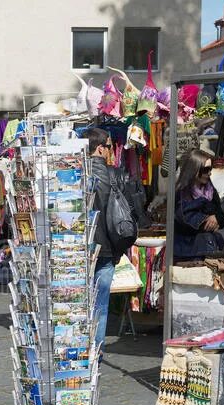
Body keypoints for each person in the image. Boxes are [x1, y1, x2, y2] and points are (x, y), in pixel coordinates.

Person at [85, 128, 140, 358]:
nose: (112, 151)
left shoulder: (75, 174)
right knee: (101, 305)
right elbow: (129, 213)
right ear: (100, 148)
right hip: (107, 250)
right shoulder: (115, 175)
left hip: (81, 250)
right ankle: (96, 353)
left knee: (77, 303)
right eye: (110, 146)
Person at [174, 149, 224, 261]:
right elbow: (184, 219)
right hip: (187, 252)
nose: (209, 173)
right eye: (206, 169)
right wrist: (206, 218)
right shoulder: (182, 191)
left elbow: (222, 215)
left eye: (210, 169)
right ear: (194, 169)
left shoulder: (210, 189)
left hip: (208, 249)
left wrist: (216, 217)